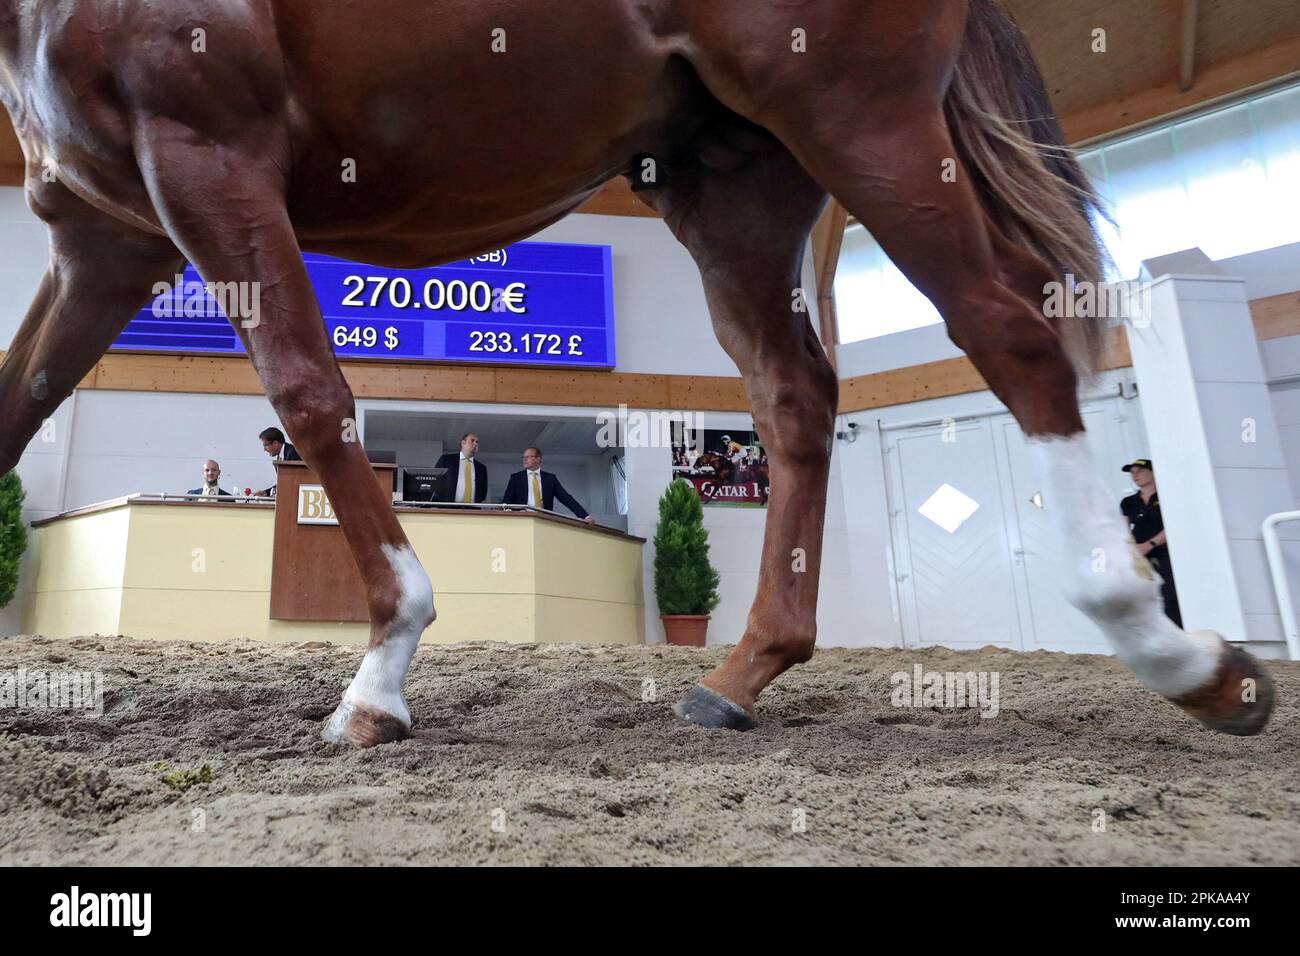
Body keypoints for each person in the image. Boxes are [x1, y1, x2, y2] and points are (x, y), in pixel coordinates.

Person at [1120, 458, 1182, 628]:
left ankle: (1176, 630)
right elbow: (1123, 528)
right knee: (1137, 594)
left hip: (1163, 551)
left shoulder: (1167, 496)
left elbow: (1174, 526)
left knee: (1171, 593)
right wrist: (1130, 548)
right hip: (1139, 553)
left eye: (1140, 471)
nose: (1135, 475)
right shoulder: (1129, 502)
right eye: (1132, 472)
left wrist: (1149, 545)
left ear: (1154, 473)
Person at [502, 447, 595, 523]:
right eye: (523, 457)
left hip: (544, 520)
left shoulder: (550, 478)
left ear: (538, 459)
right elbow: (507, 500)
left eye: (528, 457)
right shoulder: (516, 478)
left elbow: (566, 498)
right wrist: (511, 512)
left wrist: (585, 516)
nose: (524, 459)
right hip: (523, 520)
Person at [434, 432, 488, 503]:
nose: (475, 444)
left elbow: (483, 493)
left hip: (473, 508)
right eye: (472, 441)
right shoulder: (446, 460)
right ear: (463, 443)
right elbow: (434, 482)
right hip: (448, 507)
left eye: (477, 442)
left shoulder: (482, 468)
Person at [254, 426, 300, 498]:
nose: (264, 450)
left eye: (266, 445)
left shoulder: (292, 453)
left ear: (275, 443)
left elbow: (291, 481)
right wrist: (266, 492)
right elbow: (283, 483)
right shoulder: (281, 456)